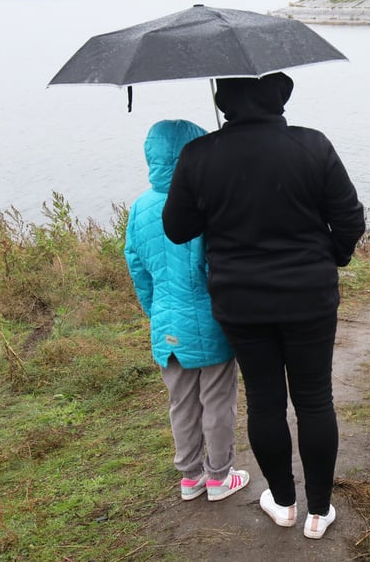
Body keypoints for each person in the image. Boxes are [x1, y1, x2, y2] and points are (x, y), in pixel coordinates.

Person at [162, 73, 366, 540]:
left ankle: (284, 503)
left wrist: (205, 189)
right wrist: (330, 256)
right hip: (309, 296)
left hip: (241, 301)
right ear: (279, 97)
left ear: (223, 99)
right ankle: (319, 511)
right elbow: (350, 220)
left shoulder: (199, 155)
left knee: (265, 401)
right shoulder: (313, 146)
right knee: (315, 399)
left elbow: (177, 228)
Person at [124, 119, 249, 504]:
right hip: (210, 323)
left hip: (165, 325)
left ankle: (190, 476)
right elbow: (219, 269)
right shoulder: (204, 204)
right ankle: (218, 476)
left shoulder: (140, 207)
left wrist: (155, 312)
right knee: (217, 401)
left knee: (180, 402)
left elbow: (138, 268)